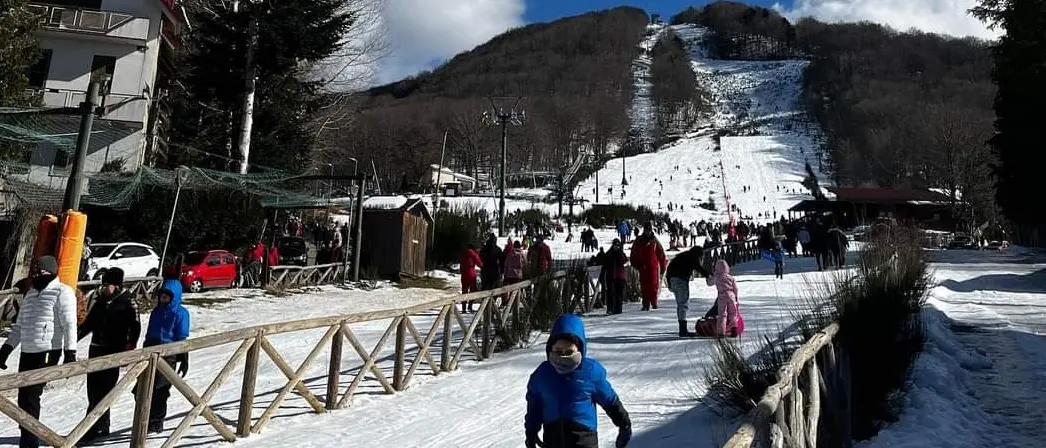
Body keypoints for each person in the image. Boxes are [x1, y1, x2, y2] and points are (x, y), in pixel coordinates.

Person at [0, 256, 78, 448]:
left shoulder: (62, 292)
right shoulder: (31, 294)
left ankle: (30, 438)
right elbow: (19, 326)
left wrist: (70, 352)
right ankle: (27, 433)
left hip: (48, 350)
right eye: (34, 272)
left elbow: (69, 324)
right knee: (23, 396)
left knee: (32, 395)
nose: (36, 275)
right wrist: (6, 350)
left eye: (40, 272)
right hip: (28, 351)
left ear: (50, 272)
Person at [525, 314, 631, 448]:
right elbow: (535, 405)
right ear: (550, 349)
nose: (563, 356)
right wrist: (531, 430)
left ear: (580, 349)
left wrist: (624, 424)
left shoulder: (590, 372)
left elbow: (610, 401)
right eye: (558, 351)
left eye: (569, 351)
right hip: (553, 439)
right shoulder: (542, 374)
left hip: (584, 440)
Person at [77, 267, 141, 442]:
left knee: (104, 391)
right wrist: (72, 340)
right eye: (103, 285)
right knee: (93, 391)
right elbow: (89, 324)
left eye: (107, 285)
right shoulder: (100, 302)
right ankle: (99, 426)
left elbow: (135, 327)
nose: (104, 288)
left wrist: (129, 348)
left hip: (113, 350)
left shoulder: (128, 302)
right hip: (96, 349)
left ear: (117, 285)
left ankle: (94, 427)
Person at [140, 279, 190, 433]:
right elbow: (150, 331)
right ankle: (144, 417)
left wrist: (183, 354)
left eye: (167, 296)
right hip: (151, 347)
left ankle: (156, 421)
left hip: (169, 352)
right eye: (162, 295)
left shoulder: (180, 313)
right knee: (143, 387)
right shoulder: (157, 311)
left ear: (174, 297)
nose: (163, 299)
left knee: (161, 389)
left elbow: (182, 335)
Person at [665, 246, 711, 337]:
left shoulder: (682, 256)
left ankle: (682, 328)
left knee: (680, 304)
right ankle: (683, 330)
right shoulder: (692, 257)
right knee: (683, 304)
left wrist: (669, 283)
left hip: (672, 280)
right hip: (681, 280)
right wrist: (708, 274)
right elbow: (699, 268)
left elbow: (669, 268)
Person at [629, 222, 666, 311]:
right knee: (644, 285)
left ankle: (654, 302)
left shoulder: (654, 240)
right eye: (646, 230)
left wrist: (663, 266)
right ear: (644, 230)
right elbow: (633, 252)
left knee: (654, 285)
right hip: (642, 266)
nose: (648, 232)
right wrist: (634, 263)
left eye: (649, 230)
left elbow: (661, 254)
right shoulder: (639, 240)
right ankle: (645, 303)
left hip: (653, 267)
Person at [705, 260, 741, 337]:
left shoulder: (717, 277)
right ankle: (734, 329)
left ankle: (721, 332)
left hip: (722, 296)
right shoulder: (731, 277)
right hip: (731, 295)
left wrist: (707, 277)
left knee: (722, 314)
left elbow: (709, 283)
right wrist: (736, 297)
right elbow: (736, 288)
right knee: (733, 313)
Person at [602, 240, 629, 315]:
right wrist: (602, 275)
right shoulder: (609, 253)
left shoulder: (621, 254)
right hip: (610, 276)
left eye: (618, 246)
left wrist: (619, 253)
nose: (616, 247)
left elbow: (623, 261)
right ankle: (610, 309)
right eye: (615, 245)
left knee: (619, 294)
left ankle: (618, 309)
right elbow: (604, 264)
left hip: (620, 277)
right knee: (610, 293)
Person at [459, 244, 483, 313]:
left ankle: (463, 308)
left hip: (464, 273)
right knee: (473, 290)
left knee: (464, 291)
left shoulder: (463, 253)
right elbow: (479, 264)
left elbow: (460, 262)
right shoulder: (474, 254)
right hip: (471, 273)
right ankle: (470, 306)